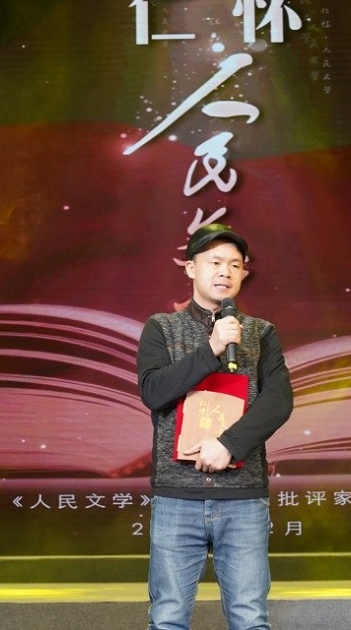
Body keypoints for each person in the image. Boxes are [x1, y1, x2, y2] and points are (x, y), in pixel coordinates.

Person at [136, 223, 294, 630]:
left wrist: (229, 443)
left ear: (244, 273)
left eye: (235, 265)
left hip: (243, 498)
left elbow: (278, 400)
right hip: (177, 497)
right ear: (191, 268)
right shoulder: (161, 328)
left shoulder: (260, 332)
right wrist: (211, 348)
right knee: (167, 619)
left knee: (250, 618)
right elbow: (154, 392)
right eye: (215, 262)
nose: (225, 271)